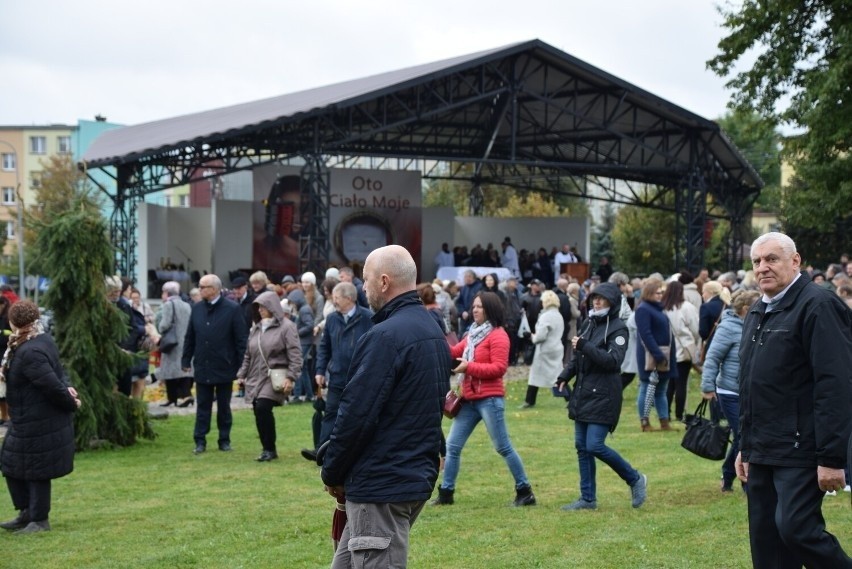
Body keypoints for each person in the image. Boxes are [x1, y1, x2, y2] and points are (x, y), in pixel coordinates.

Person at [321, 245, 451, 569]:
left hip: (383, 485)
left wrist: (332, 471)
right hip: (406, 476)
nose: (362, 289)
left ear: (382, 281)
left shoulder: (385, 336)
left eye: (364, 280)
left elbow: (356, 414)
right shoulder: (431, 329)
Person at [736, 232, 852, 568]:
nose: (763, 268)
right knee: (766, 543)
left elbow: (836, 385)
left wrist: (831, 458)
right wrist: (745, 446)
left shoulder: (819, 305)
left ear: (795, 261)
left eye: (771, 259)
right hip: (763, 448)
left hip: (802, 447)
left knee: (796, 529)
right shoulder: (758, 309)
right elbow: (750, 385)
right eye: (757, 261)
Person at [432, 291, 537, 508]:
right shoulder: (472, 333)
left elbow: (499, 368)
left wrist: (468, 366)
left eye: (479, 306)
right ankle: (446, 493)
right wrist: (434, 336)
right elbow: (453, 352)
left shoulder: (498, 335)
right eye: (474, 306)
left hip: (489, 399)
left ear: (490, 309)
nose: (474, 310)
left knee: (503, 446)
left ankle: (525, 491)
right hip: (470, 399)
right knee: (452, 446)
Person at [556, 283, 647, 511]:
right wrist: (565, 375)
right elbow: (578, 357)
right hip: (584, 392)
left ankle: (635, 478)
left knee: (595, 445)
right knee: (581, 446)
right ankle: (587, 499)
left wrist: (585, 346)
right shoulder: (588, 323)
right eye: (594, 298)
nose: (596, 302)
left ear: (612, 302)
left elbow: (612, 361)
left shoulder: (619, 329)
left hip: (604, 394)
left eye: (602, 299)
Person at [0, 300, 81, 534]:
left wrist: (70, 400)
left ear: (14, 321)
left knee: (36, 468)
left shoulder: (30, 350)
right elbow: (59, 373)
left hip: (41, 419)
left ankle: (39, 520)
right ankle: (26, 513)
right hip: (26, 417)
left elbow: (51, 384)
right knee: (11, 463)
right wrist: (68, 388)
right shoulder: (34, 340)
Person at [303, 281, 374, 462]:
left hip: (360, 378)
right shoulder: (332, 319)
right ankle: (322, 452)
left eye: (336, 298)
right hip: (337, 376)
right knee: (331, 414)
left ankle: (357, 452)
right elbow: (325, 347)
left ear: (349, 298)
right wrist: (319, 371)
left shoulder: (368, 318)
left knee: (358, 416)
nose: (333, 301)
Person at [700, 289, 760, 492]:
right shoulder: (728, 328)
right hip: (730, 392)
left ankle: (728, 475)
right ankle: (745, 482)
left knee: (744, 435)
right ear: (745, 309)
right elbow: (712, 357)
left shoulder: (758, 325)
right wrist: (708, 386)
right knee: (743, 436)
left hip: (752, 392)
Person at [181, 274, 248, 454]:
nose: (200, 289)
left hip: (224, 364)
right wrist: (186, 359)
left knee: (224, 406)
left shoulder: (232, 309)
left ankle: (224, 439)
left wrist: (243, 367)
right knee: (203, 406)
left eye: (204, 287)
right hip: (203, 364)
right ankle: (200, 440)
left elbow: (241, 340)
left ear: (215, 289)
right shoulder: (196, 309)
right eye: (200, 287)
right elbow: (190, 336)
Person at [237, 291, 302, 462]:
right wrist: (241, 374)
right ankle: (267, 448)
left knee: (263, 407)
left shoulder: (287, 327)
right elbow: (248, 355)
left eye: (263, 306)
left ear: (272, 307)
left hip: (275, 376)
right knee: (258, 411)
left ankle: (270, 448)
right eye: (258, 307)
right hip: (254, 376)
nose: (260, 310)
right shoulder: (256, 328)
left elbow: (295, 354)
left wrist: (291, 376)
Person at [635, 278, 677, 432]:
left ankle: (664, 422)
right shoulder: (643, 309)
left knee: (660, 391)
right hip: (651, 356)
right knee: (647, 388)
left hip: (663, 355)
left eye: (661, 293)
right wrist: (657, 354)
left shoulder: (658, 308)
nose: (660, 295)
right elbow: (645, 334)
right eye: (657, 293)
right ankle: (644, 422)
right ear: (649, 293)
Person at [662, 280, 700, 422]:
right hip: (683, 348)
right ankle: (679, 414)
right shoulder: (687, 307)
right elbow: (695, 328)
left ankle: (666, 413)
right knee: (681, 383)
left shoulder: (662, 307)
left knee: (668, 384)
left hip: (666, 349)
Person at [522, 290, 564, 408]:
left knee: (535, 375)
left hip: (545, 350)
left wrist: (531, 336)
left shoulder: (545, 316)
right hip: (556, 348)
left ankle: (529, 401)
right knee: (557, 375)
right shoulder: (558, 315)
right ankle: (569, 397)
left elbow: (540, 337)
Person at [156, 281, 194, 407]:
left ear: (167, 293)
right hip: (184, 342)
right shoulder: (186, 305)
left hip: (171, 343)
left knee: (169, 371)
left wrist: (159, 328)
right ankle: (183, 396)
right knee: (183, 370)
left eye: (163, 292)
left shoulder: (168, 304)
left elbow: (165, 324)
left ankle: (173, 397)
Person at [455, 270, 482, 336]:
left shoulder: (480, 287)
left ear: (474, 277)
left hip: (474, 318)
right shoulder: (463, 288)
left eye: (469, 276)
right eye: (465, 277)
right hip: (464, 318)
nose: (467, 278)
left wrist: (469, 313)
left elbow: (479, 303)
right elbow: (459, 302)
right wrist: (462, 312)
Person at [0, 297, 11, 426]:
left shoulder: (7, 319)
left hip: (5, 356)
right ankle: (3, 417)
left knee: (6, 390)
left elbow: (10, 337)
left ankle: (9, 417)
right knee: (0, 393)